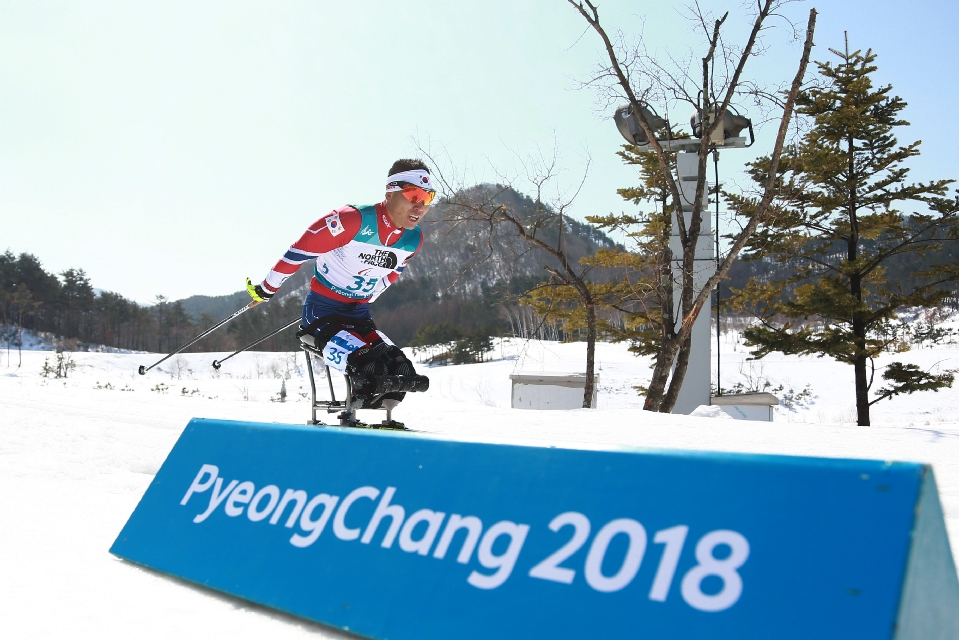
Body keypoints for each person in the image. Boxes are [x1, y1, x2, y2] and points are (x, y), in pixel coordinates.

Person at [246, 158, 433, 422]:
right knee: (370, 367)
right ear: (390, 192)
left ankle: (387, 419)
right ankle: (350, 415)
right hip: (322, 314)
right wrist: (267, 289)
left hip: (359, 316)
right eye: (414, 194)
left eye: (428, 198)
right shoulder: (352, 220)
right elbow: (298, 251)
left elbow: (395, 270)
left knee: (402, 370)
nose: (420, 205)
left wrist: (370, 293)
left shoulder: (414, 239)